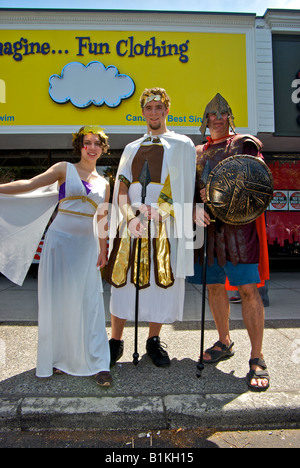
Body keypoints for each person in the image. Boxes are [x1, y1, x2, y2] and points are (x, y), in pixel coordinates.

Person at [0, 125, 112, 387]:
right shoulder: (64, 168)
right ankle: (58, 359)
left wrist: (104, 249)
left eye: (97, 143)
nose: (92, 148)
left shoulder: (104, 183)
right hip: (59, 242)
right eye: (87, 143)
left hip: (87, 246)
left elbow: (103, 218)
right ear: (80, 146)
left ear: (103, 148)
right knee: (58, 300)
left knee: (90, 302)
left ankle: (98, 363)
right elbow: (30, 184)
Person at [106, 87, 196, 367]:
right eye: (149, 108)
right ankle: (116, 340)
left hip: (164, 224)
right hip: (131, 224)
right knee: (123, 281)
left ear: (167, 110)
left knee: (160, 281)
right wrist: (129, 216)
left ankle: (153, 341)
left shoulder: (182, 144)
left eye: (159, 108)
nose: (154, 113)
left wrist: (164, 209)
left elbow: (185, 184)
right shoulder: (132, 147)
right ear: (143, 112)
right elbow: (120, 187)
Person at [194, 93, 270, 391]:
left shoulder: (244, 144)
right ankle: (224, 341)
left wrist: (217, 192)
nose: (217, 118)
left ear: (230, 117)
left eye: (222, 113)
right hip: (210, 231)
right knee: (213, 286)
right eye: (212, 114)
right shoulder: (198, 152)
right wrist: (194, 206)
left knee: (248, 290)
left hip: (239, 231)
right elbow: (191, 191)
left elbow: (258, 180)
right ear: (205, 119)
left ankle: (257, 356)